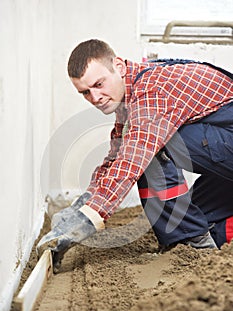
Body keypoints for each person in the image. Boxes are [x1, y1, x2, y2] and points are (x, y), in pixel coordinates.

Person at [37, 39, 233, 269]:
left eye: (99, 84)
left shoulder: (151, 92)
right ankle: (193, 241)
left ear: (118, 67)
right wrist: (80, 207)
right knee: (195, 220)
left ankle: (190, 243)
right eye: (85, 93)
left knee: (151, 149)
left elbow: (131, 160)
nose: (95, 97)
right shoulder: (131, 94)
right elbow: (115, 158)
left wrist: (85, 220)